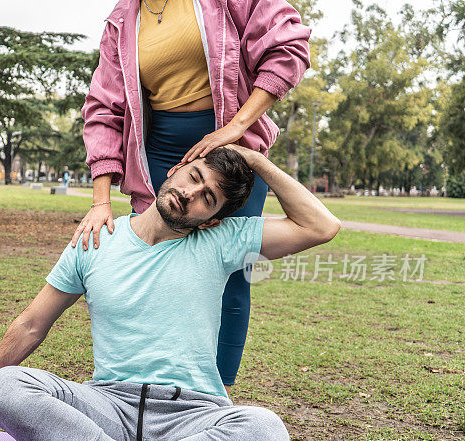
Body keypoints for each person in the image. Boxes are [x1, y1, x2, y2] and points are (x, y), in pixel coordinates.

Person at [0, 146, 340, 441]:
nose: (191, 193)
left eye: (207, 198)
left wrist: (253, 158)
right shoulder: (95, 239)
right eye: (194, 177)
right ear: (176, 169)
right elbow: (31, 324)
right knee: (7, 387)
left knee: (266, 434)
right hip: (108, 408)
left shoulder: (223, 240)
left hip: (192, 417)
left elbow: (321, 227)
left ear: (213, 220)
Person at [73, 0, 311, 393]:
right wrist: (101, 201)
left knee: (232, 270)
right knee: (153, 265)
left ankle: (212, 395)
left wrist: (235, 128)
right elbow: (104, 107)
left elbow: (287, 49)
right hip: (158, 147)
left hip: (229, 142)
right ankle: (146, 387)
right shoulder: (122, 19)